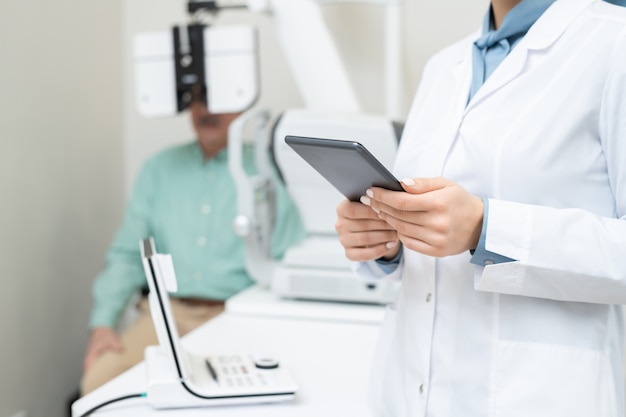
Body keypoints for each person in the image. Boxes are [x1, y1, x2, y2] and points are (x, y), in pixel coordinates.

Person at [335, 0, 626, 415]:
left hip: (539, 395)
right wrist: (387, 240)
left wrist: (486, 229)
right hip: (409, 390)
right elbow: (431, 231)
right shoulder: (443, 66)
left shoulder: (615, 42)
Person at [80, 99, 306, 395]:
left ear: (241, 105)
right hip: (168, 314)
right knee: (99, 383)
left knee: (228, 394)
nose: (206, 110)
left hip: (234, 315)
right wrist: (103, 325)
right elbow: (128, 255)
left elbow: (285, 258)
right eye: (198, 99)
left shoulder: (266, 171)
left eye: (218, 100)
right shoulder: (159, 169)